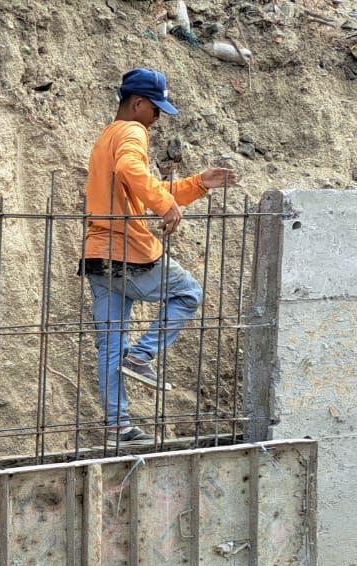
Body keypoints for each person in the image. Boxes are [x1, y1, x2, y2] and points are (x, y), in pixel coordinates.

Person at [82, 68, 238, 445]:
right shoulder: (133, 131)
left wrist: (198, 184)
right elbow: (132, 171)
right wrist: (166, 206)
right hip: (129, 252)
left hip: (97, 255)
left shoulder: (107, 137)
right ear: (138, 103)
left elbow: (141, 186)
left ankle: (118, 428)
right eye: (155, 109)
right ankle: (142, 356)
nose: (157, 118)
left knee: (111, 343)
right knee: (188, 293)